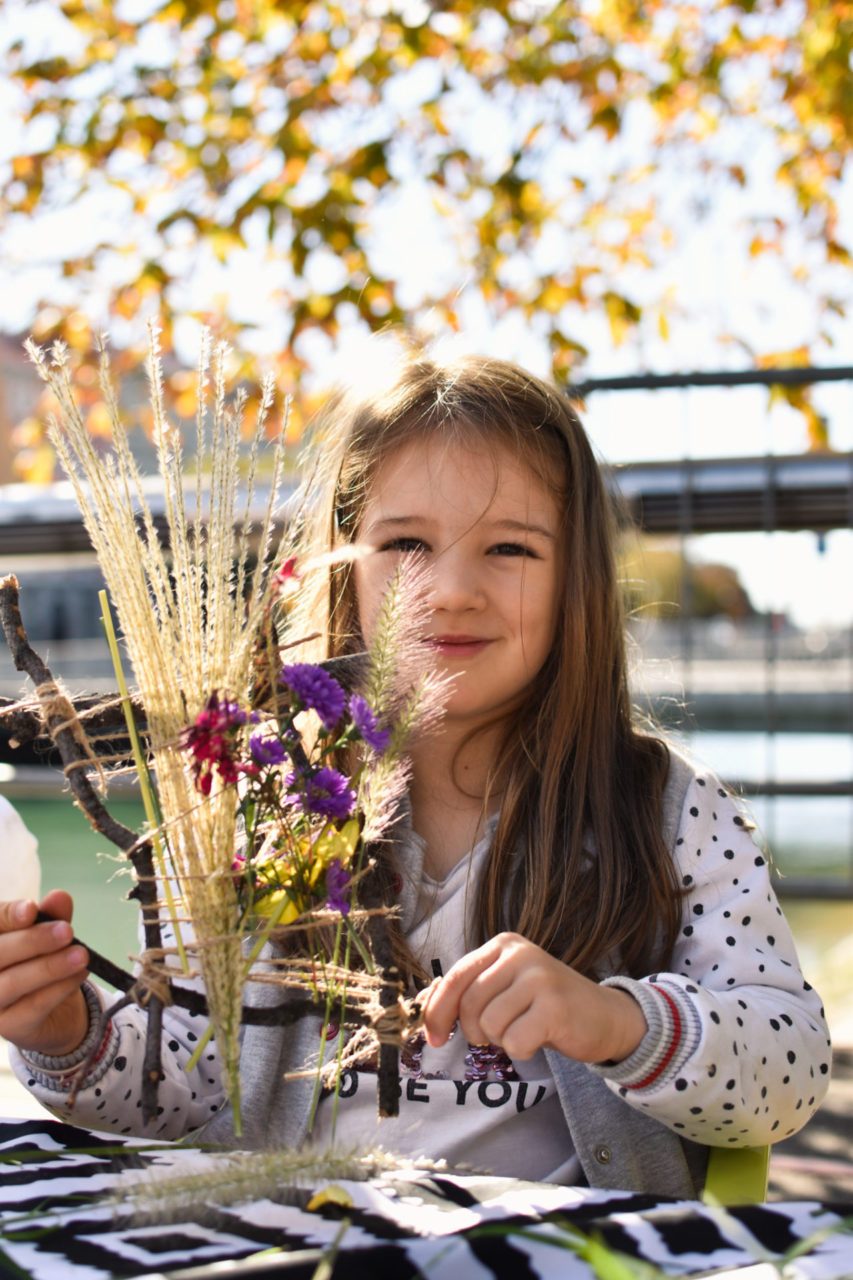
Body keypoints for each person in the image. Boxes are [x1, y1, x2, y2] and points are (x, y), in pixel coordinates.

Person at [0, 351, 831, 1196]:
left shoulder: (664, 810)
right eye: (404, 543)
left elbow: (788, 1071)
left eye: (510, 547)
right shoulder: (253, 808)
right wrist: (65, 1031)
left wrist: (617, 1021)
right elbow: (177, 1091)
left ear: (576, 579)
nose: (452, 588)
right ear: (341, 564)